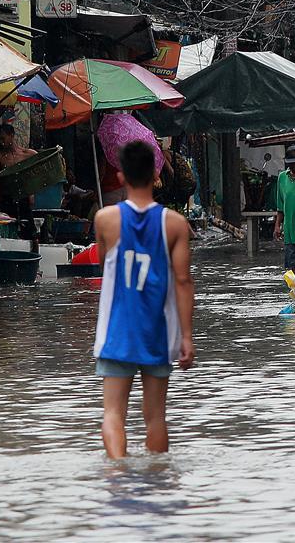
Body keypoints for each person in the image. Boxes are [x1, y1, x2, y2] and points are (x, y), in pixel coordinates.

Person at [93, 141, 195, 459]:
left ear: (121, 177)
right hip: (158, 331)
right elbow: (182, 281)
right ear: (156, 174)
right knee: (156, 417)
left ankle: (117, 473)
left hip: (117, 329)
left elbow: (103, 262)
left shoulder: (105, 219)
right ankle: (157, 479)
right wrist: (187, 336)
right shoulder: (175, 224)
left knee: (113, 414)